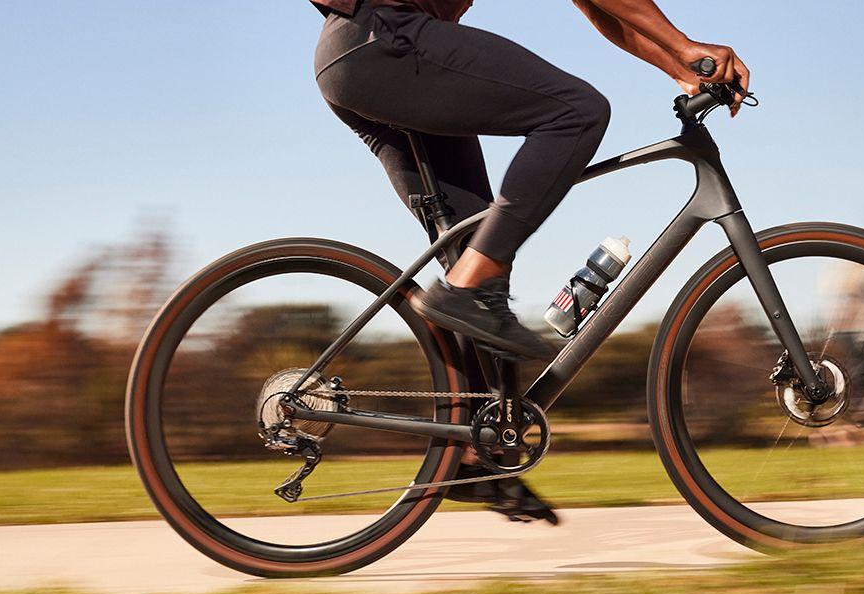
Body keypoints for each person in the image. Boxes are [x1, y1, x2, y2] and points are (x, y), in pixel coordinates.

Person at [311, 0, 749, 522]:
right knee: (577, 112)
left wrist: (678, 64)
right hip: (386, 41)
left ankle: (474, 456)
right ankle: (465, 289)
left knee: (478, 243)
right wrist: (683, 46)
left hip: (357, 59)